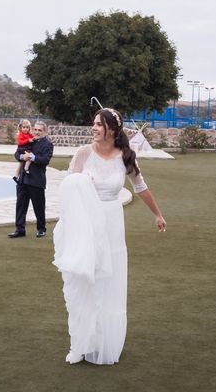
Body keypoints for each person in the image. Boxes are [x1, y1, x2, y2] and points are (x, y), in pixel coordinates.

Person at [53, 108, 166, 365]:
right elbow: (69, 189)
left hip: (112, 223)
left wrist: (157, 214)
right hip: (87, 224)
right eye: (92, 123)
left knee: (107, 283)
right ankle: (79, 344)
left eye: (98, 125)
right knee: (84, 281)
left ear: (112, 130)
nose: (93, 128)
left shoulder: (125, 156)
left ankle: (104, 340)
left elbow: (141, 187)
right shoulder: (83, 153)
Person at [8, 121, 53, 238]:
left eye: (40, 130)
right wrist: (22, 156)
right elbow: (17, 153)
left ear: (45, 132)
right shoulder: (28, 140)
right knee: (20, 206)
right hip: (23, 179)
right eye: (35, 130)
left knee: (39, 206)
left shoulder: (48, 144)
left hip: (37, 180)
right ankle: (20, 230)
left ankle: (41, 229)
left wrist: (32, 157)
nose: (37, 132)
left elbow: (45, 160)